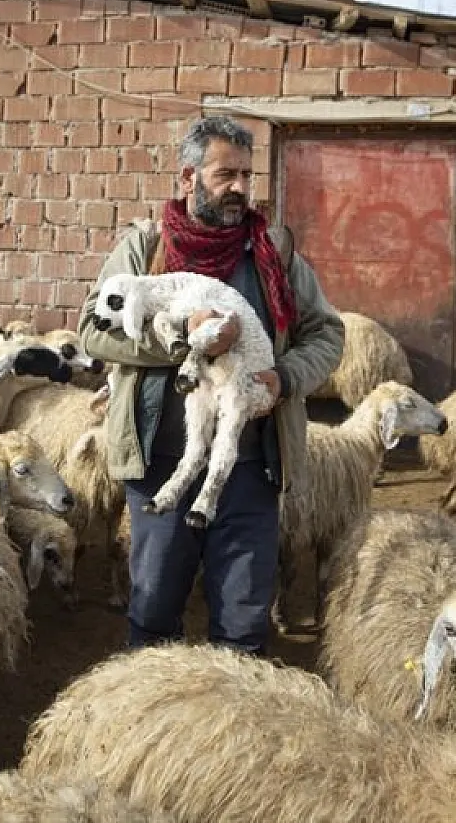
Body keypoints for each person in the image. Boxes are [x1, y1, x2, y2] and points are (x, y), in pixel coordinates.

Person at [77, 115, 344, 654]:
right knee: (152, 620)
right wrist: (182, 343)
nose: (241, 188)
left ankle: (231, 734)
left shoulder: (275, 254)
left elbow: (327, 333)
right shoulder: (145, 248)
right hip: (160, 469)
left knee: (243, 630)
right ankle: (153, 729)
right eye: (226, 175)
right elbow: (93, 330)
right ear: (188, 178)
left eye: (248, 176)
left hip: (250, 472)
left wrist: (283, 379)